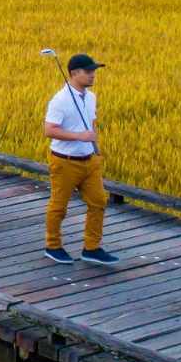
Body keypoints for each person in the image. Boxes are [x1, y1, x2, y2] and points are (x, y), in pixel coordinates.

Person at [43, 53, 118, 266]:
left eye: (94, 71)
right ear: (74, 73)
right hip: (65, 161)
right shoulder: (60, 100)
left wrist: (96, 149)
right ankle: (53, 245)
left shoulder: (91, 97)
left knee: (99, 201)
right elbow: (49, 130)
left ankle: (91, 247)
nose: (93, 75)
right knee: (59, 206)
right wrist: (79, 136)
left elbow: (91, 123)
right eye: (89, 71)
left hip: (89, 160)